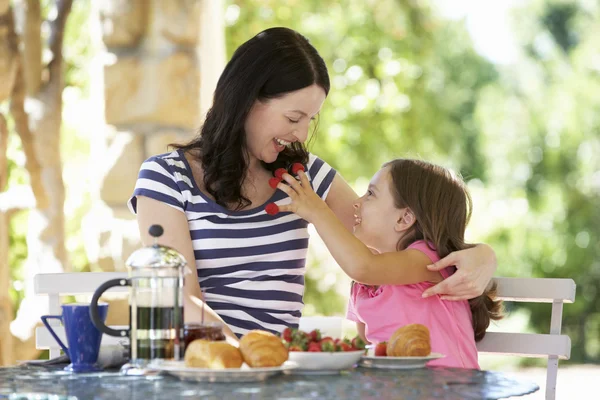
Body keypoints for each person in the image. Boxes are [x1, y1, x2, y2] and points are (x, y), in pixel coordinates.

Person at [127, 27, 498, 343]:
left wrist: (482, 254)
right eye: (293, 116)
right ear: (245, 102)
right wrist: (243, 357)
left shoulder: (305, 178)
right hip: (200, 368)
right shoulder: (166, 179)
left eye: (310, 119)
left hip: (278, 380)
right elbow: (179, 299)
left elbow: (390, 238)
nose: (301, 134)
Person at [275, 158, 503, 368]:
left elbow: (363, 266)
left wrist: (318, 212)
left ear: (404, 218)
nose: (357, 202)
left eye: (370, 194)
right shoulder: (366, 284)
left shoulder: (428, 259)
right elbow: (370, 347)